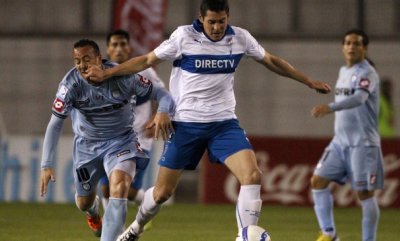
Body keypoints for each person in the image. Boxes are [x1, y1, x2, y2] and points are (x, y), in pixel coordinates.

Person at [85, 0, 331, 240]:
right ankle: (136, 228)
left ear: (228, 18)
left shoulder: (240, 38)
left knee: (252, 176)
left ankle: (244, 236)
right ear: (201, 19)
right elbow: (147, 60)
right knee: (161, 193)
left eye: (222, 21)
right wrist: (108, 73)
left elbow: (271, 61)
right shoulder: (183, 37)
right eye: (211, 22)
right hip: (184, 125)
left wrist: (308, 81)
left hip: (224, 125)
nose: (217, 27)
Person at [39, 39, 174, 241]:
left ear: (99, 58)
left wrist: (162, 111)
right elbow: (55, 123)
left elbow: (162, 93)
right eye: (77, 61)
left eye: (87, 59)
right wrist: (46, 164)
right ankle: (92, 213)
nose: (82, 65)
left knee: (118, 188)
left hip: (121, 141)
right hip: (87, 146)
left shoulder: (124, 77)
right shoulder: (70, 85)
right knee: (83, 202)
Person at [310, 29, 384, 241]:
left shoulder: (368, 73)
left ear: (365, 48)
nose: (352, 47)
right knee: (317, 181)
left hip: (363, 144)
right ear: (342, 47)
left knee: (364, 194)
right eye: (348, 43)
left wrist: (330, 107)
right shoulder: (343, 71)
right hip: (340, 142)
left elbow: (360, 99)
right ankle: (329, 234)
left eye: (357, 43)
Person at [98, 30, 167, 229]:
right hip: (110, 140)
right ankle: (111, 228)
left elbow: (161, 93)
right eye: (114, 44)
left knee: (123, 188)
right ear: (108, 49)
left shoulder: (144, 71)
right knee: (105, 189)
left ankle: (146, 204)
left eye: (122, 44)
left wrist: (155, 116)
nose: (119, 49)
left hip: (138, 141)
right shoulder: (101, 73)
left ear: (129, 47)